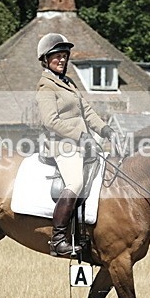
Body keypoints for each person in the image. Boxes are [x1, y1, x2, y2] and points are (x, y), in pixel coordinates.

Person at [35, 33, 115, 257]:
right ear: (45, 59)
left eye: (64, 55)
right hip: (61, 145)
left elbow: (87, 111)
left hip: (82, 143)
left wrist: (105, 130)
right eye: (56, 56)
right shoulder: (46, 87)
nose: (61, 60)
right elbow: (51, 121)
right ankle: (58, 239)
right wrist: (81, 136)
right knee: (76, 182)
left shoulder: (68, 83)